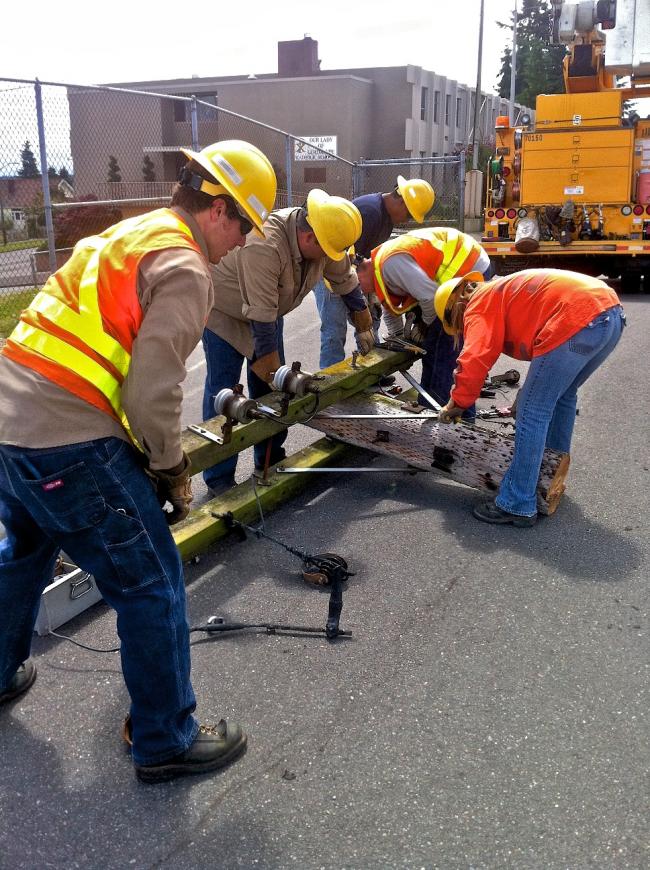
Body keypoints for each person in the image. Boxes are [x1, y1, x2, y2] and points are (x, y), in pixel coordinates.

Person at [0, 140, 277, 783]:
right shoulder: (185, 266)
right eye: (242, 226)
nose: (240, 245)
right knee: (150, 580)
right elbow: (153, 390)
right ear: (217, 208)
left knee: (23, 552)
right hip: (69, 436)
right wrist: (170, 468)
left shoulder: (131, 232)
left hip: (13, 424)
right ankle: (165, 737)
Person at [201, 188, 374, 494]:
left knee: (270, 390)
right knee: (225, 393)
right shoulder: (265, 246)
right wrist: (271, 371)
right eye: (325, 251)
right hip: (226, 312)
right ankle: (219, 477)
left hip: (267, 311)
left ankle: (268, 459)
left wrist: (362, 320)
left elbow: (344, 278)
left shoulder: (324, 234)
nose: (329, 258)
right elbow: (261, 317)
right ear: (309, 239)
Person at [435, 268, 625, 526]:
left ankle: (517, 503)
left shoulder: (478, 302)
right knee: (563, 396)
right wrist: (525, 394)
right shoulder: (500, 291)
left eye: (457, 323)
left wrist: (457, 403)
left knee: (533, 412)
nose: (461, 328)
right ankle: (550, 473)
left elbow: (475, 358)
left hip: (578, 316)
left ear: (456, 305)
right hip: (609, 315)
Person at [355, 227, 492, 410]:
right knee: (437, 349)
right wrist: (399, 337)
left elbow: (430, 298)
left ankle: (437, 411)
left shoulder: (391, 265)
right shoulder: (380, 267)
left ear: (360, 270)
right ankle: (445, 407)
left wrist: (425, 326)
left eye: (356, 286)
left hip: (469, 270)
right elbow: (391, 307)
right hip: (457, 274)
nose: (361, 292)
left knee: (440, 349)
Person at [313, 176, 435, 369]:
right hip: (331, 272)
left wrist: (370, 296)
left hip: (350, 270)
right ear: (402, 201)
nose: (407, 220)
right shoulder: (372, 212)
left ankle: (371, 372)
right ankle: (328, 380)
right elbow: (347, 258)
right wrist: (359, 301)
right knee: (334, 330)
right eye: (409, 214)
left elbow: (365, 259)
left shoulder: (386, 216)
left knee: (372, 319)